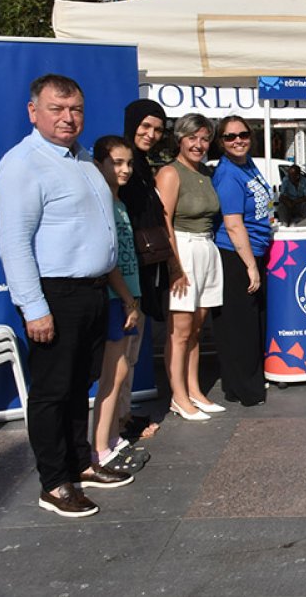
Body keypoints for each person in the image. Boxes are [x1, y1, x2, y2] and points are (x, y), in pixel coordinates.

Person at [0, 74, 133, 518]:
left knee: (78, 388)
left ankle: (80, 466)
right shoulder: (23, 164)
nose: (68, 118)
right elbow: (13, 243)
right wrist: (34, 308)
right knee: (53, 392)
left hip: (91, 292)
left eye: (75, 109)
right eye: (57, 109)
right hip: (55, 293)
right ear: (34, 112)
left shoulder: (83, 158)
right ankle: (54, 483)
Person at [156, 113, 224, 421]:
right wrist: (175, 266)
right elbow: (164, 221)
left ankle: (194, 390)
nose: (198, 144)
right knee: (180, 331)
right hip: (183, 248)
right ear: (179, 139)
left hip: (207, 248)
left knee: (197, 328)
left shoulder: (206, 173)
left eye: (204, 138)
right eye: (192, 138)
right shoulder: (170, 173)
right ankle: (178, 396)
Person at [90, 136, 147, 473]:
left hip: (129, 296)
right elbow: (108, 260)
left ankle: (111, 438)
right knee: (114, 371)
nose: (124, 170)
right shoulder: (102, 205)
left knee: (122, 367)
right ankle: (100, 447)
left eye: (128, 163)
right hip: (116, 298)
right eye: (117, 163)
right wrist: (127, 299)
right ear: (100, 164)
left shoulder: (120, 203)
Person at [210, 115, 271, 407]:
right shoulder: (228, 173)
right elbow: (233, 224)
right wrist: (250, 266)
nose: (237, 141)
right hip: (236, 256)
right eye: (230, 137)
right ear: (220, 142)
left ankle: (242, 385)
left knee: (251, 322)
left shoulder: (247, 164)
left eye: (243, 134)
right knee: (240, 326)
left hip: (253, 252)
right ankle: (247, 390)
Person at [118, 98, 169, 442]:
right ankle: (115, 428)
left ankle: (122, 418)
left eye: (158, 129)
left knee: (130, 354)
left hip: (143, 271)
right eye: (145, 126)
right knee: (121, 355)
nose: (151, 134)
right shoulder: (122, 166)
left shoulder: (143, 165)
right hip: (125, 274)